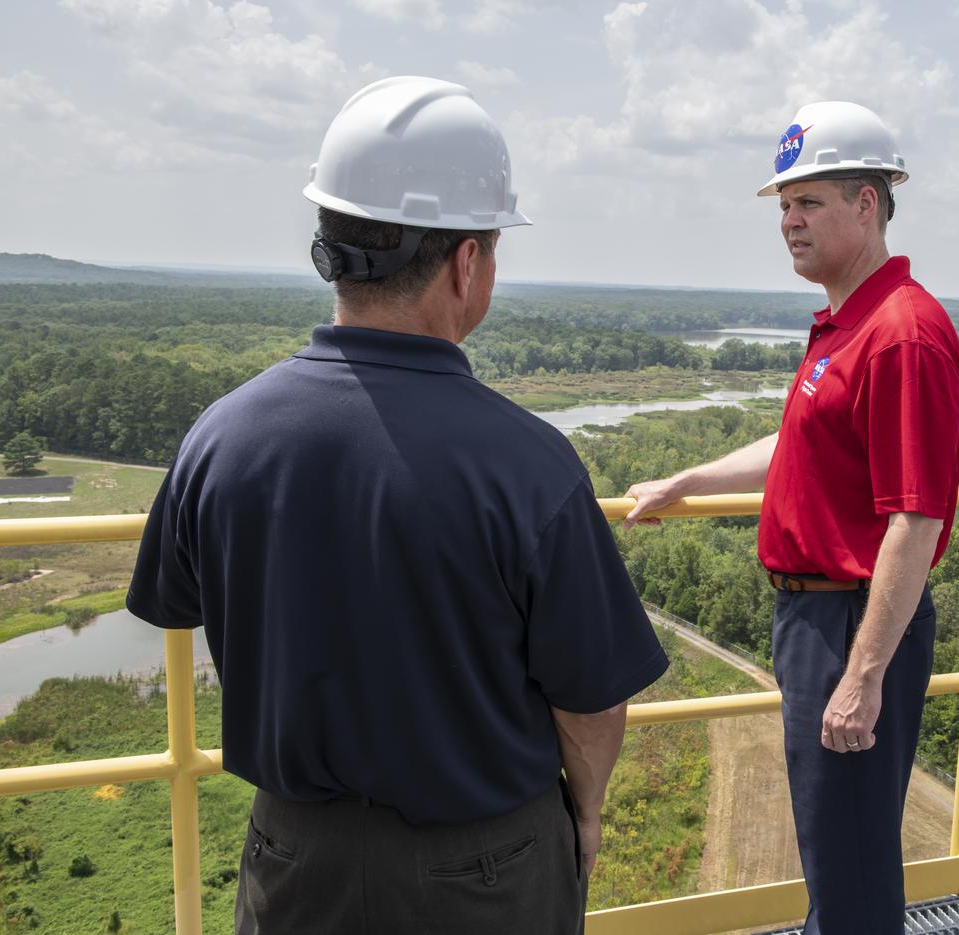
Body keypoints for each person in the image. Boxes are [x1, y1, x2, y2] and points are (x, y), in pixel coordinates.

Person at [127, 76, 668, 935]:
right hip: (487, 870)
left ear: (328, 246)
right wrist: (586, 814)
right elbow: (591, 702)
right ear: (464, 263)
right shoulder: (531, 464)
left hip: (293, 860)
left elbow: (178, 601)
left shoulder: (221, 437)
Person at [623, 101, 959, 933]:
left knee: (849, 872)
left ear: (867, 203)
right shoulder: (849, 323)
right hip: (817, 617)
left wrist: (862, 674)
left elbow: (915, 521)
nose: (789, 221)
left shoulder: (901, 335)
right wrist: (689, 479)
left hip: (850, 623)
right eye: (783, 205)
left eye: (808, 202)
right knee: (833, 848)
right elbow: (798, 449)